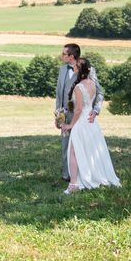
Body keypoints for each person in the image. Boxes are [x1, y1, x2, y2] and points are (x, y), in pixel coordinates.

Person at [60, 57, 121, 193]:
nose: (73, 68)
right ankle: (93, 175)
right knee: (91, 150)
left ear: (79, 69)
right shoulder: (92, 84)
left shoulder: (78, 87)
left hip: (82, 121)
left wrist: (70, 125)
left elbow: (79, 109)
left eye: (75, 66)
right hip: (91, 122)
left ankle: (74, 184)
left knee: (74, 152)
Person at [54, 43, 103, 181]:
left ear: (71, 56)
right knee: (65, 145)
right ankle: (67, 175)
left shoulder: (89, 70)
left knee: (82, 145)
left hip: (81, 116)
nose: (61, 56)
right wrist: (58, 116)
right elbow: (59, 94)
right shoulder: (62, 69)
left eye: (64, 54)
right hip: (65, 115)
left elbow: (99, 93)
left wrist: (96, 110)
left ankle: (84, 175)